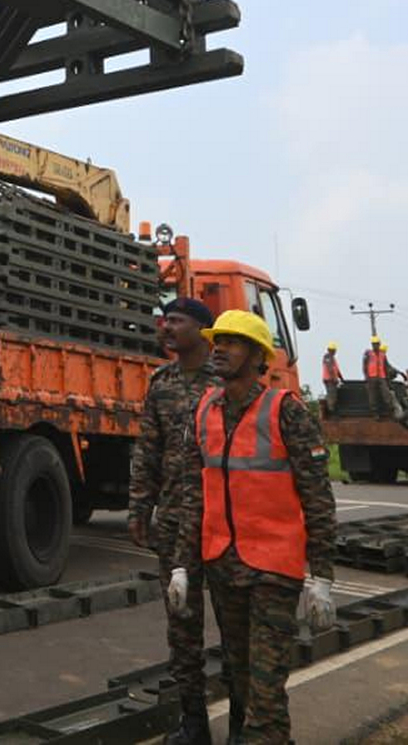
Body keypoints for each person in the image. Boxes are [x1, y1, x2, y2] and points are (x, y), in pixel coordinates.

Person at [176, 309, 338, 745]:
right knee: (241, 679)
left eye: (233, 342)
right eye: (219, 341)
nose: (220, 349)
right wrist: (180, 566)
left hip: (273, 571)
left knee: (265, 690)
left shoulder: (286, 412)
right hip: (223, 566)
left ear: (257, 355)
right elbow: (196, 494)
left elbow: (318, 499)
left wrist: (321, 576)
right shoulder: (204, 411)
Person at [127, 297, 217, 745]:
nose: (166, 328)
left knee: (237, 625)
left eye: (176, 322)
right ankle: (194, 723)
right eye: (164, 322)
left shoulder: (227, 380)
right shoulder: (160, 382)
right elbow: (148, 451)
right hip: (175, 522)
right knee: (182, 627)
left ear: (203, 329)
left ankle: (245, 721)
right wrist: (140, 507)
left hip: (222, 521)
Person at [364, 336, 401, 419]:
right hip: (372, 377)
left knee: (386, 394)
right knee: (373, 396)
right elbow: (365, 366)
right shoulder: (368, 354)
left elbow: (386, 366)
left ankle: (390, 411)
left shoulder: (382, 355)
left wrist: (392, 374)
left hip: (381, 377)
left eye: (376, 344)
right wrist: (367, 378)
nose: (375, 346)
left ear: (379, 344)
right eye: (374, 344)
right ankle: (375, 413)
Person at [321, 341, 343, 413]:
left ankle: (332, 409)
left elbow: (336, 369)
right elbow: (330, 369)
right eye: (333, 350)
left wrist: (341, 377)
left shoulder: (332, 358)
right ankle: (331, 411)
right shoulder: (328, 357)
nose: (334, 352)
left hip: (332, 379)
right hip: (329, 379)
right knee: (331, 395)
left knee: (333, 394)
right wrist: (334, 378)